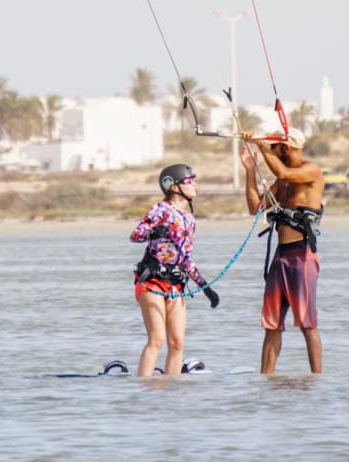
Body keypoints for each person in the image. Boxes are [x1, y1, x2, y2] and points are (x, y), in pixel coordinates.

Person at [240, 127, 325, 374]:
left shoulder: (311, 171)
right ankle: (265, 379)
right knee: (272, 327)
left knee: (307, 325)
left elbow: (283, 169)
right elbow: (255, 207)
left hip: (302, 257)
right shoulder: (282, 182)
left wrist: (260, 144)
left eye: (274, 147)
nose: (272, 152)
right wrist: (249, 171)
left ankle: (316, 380)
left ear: (285, 148)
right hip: (280, 259)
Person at [130, 163, 219, 377]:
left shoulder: (189, 219)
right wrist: (153, 232)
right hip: (151, 282)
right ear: (173, 186)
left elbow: (187, 259)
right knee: (157, 339)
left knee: (177, 342)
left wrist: (206, 288)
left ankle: (172, 388)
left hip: (176, 285)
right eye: (189, 181)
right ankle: (144, 386)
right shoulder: (160, 209)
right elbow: (135, 235)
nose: (195, 184)